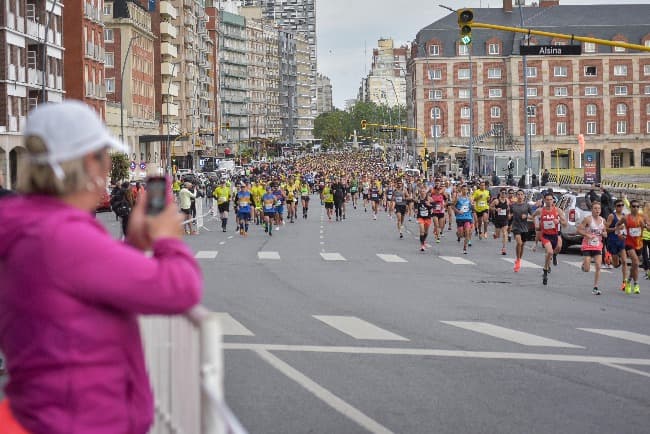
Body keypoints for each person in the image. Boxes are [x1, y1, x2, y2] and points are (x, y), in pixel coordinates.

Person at [0, 101, 202, 434]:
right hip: (79, 420)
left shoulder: (33, 224)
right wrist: (168, 238)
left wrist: (133, 247)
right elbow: (180, 289)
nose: (109, 166)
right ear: (89, 164)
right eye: (105, 156)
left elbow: (84, 283)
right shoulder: (62, 236)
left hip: (45, 413)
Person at [577, 201, 606, 295]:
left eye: (599, 208)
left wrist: (604, 233)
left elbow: (605, 232)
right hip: (587, 246)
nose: (597, 210)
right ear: (592, 210)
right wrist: (586, 234)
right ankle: (584, 265)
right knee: (587, 269)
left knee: (598, 265)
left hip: (597, 246)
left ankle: (595, 287)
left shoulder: (603, 220)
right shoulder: (588, 219)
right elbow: (578, 230)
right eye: (595, 208)